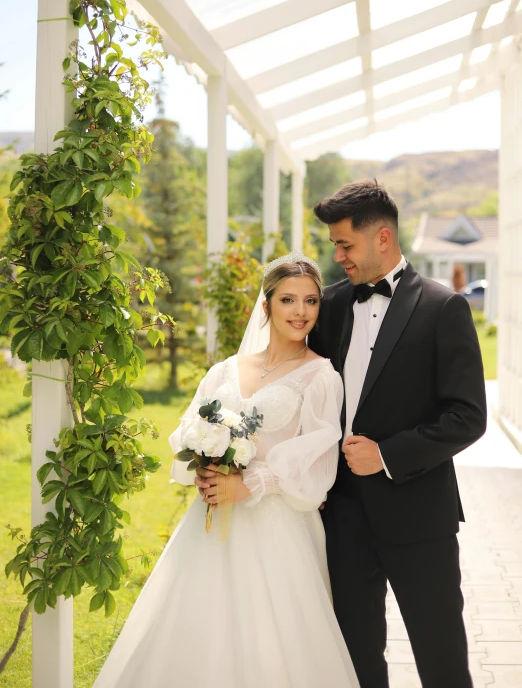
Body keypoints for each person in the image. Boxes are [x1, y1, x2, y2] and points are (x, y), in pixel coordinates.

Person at [92, 254, 359, 688]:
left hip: (278, 529)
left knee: (273, 642)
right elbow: (188, 428)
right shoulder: (226, 371)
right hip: (211, 524)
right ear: (266, 303)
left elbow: (319, 459)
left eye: (311, 301)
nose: (301, 312)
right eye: (288, 299)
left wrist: (250, 483)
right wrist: (203, 467)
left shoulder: (320, 376)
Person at [308, 179, 487, 688]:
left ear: (382, 238)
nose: (338, 255)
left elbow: (468, 415)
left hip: (419, 517)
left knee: (442, 659)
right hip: (343, 517)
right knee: (357, 659)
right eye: (335, 246)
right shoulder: (331, 306)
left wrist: (388, 454)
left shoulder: (443, 308)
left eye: (346, 244)